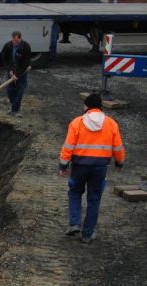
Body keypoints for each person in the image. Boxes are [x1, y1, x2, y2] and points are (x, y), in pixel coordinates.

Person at [59, 93, 125, 244]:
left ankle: (75, 223)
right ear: (100, 106)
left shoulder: (77, 122)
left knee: (75, 192)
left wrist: (63, 164)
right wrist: (119, 162)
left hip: (79, 166)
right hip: (100, 168)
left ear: (87, 107)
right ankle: (87, 234)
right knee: (94, 199)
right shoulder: (111, 123)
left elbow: (68, 146)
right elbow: (118, 147)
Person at [1, 31, 32, 117]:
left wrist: (17, 75)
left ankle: (15, 110)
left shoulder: (25, 47)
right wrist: (9, 70)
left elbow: (25, 63)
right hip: (11, 71)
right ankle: (13, 106)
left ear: (20, 38)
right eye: (13, 40)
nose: (14, 42)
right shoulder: (8, 45)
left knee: (19, 90)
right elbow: (4, 58)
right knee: (9, 90)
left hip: (22, 71)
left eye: (16, 40)